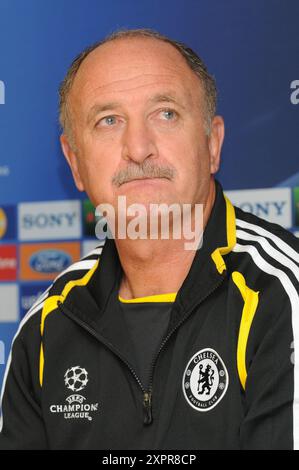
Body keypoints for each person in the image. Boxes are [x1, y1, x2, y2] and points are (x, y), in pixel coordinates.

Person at [0, 28, 298, 450]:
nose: (138, 149)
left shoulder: (284, 297)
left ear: (212, 143)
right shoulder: (48, 325)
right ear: (75, 163)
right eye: (109, 121)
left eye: (166, 114)